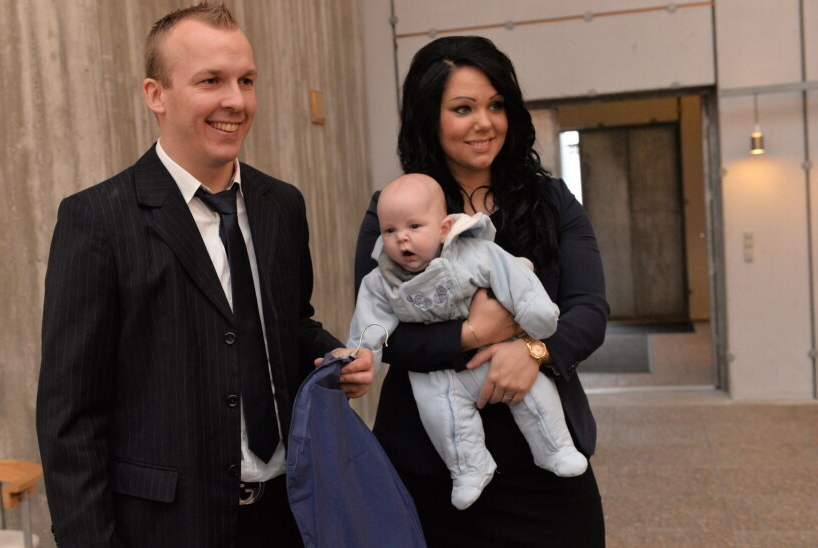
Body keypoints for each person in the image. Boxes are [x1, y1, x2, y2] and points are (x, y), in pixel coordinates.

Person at [36, 3, 374, 546]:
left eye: (246, 80)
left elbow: (285, 325)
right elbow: (69, 418)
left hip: (287, 515)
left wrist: (335, 354)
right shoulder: (97, 220)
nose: (235, 101)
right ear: (156, 95)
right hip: (166, 527)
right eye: (210, 81)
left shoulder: (281, 205)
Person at [354, 36, 608, 546]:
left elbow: (590, 310)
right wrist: (473, 333)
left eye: (496, 105)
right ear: (429, 117)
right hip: (431, 469)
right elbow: (387, 334)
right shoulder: (396, 211)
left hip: (545, 468)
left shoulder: (551, 201)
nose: (484, 123)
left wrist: (533, 351)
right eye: (463, 108)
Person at [349, 173, 587, 511]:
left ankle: (555, 448)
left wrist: (537, 327)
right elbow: (371, 324)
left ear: (444, 228)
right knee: (442, 413)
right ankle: (470, 469)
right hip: (437, 372)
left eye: (415, 227)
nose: (402, 238)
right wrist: (362, 357)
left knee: (535, 397)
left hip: (502, 360)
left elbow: (515, 279)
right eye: (390, 231)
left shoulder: (475, 252)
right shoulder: (381, 278)